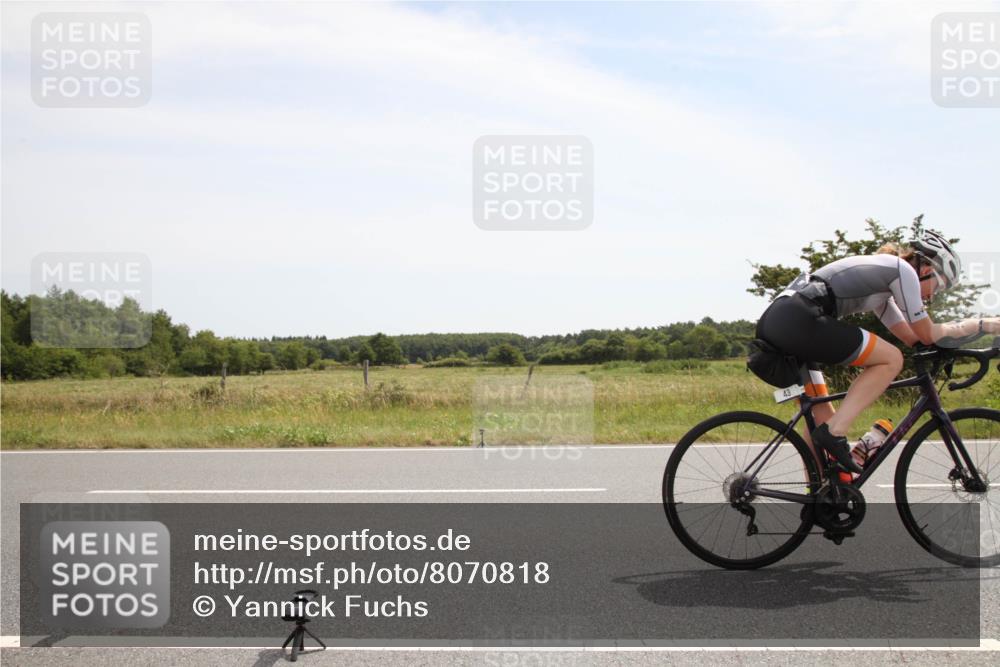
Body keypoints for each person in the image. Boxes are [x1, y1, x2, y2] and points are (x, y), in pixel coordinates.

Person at [755, 229, 1000, 474]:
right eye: (939, 286)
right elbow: (927, 333)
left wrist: (954, 348)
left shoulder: (882, 293)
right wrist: (982, 324)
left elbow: (914, 338)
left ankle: (819, 497)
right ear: (927, 270)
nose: (933, 295)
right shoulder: (902, 272)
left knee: (820, 414)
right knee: (892, 359)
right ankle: (834, 432)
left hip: (784, 319)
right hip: (800, 317)